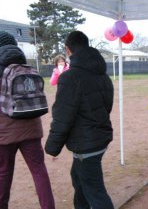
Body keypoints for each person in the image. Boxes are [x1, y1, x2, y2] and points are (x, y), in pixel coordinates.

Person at [45, 31, 114, 209]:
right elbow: (107, 106)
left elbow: (62, 116)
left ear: (68, 50)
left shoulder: (70, 77)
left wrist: (53, 147)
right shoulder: (102, 75)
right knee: (79, 179)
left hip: (87, 144)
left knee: (95, 191)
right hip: (97, 139)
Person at [0, 31, 55, 209]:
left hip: (5, 134)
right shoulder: (27, 67)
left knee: (3, 173)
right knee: (39, 171)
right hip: (32, 129)